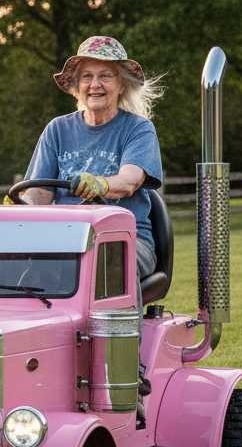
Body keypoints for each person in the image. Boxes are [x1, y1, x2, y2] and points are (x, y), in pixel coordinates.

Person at [19, 35, 164, 310]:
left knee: (106, 263)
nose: (94, 85)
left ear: (121, 83)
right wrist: (17, 208)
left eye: (105, 76)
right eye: (86, 76)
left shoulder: (138, 129)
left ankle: (124, 352)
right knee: (13, 273)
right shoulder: (57, 130)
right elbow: (37, 193)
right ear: (76, 86)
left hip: (124, 241)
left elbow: (129, 181)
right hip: (64, 241)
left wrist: (100, 184)